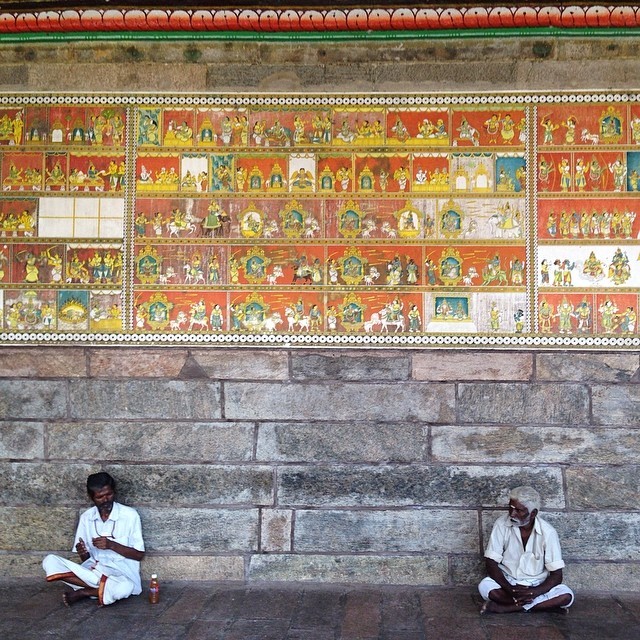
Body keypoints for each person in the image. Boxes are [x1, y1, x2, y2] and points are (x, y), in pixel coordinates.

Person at [42, 472, 145, 607]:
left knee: (125, 588)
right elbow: (86, 560)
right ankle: (99, 590)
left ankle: (85, 592)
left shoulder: (130, 515)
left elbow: (139, 555)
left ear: (114, 492)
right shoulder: (87, 517)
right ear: (91, 497)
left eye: (109, 494)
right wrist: (83, 552)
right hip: (94, 572)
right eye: (100, 497)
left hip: (122, 574)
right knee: (49, 561)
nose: (106, 500)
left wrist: (111, 545)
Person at [479, 486, 574, 614]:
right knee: (486, 586)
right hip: (509, 582)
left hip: (537, 585)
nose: (512, 514)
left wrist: (534, 592)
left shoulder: (548, 532)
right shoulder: (501, 524)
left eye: (519, 510)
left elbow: (557, 575)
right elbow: (491, 562)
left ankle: (509, 607)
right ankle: (541, 605)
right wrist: (509, 588)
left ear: (533, 513)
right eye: (511, 508)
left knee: (566, 595)